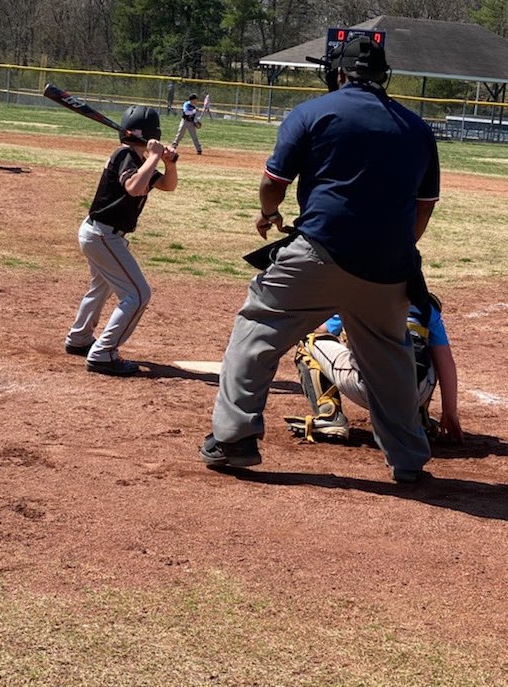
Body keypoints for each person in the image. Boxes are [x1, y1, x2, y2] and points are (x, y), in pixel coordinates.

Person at [199, 33, 440, 483]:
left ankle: (233, 440)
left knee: (258, 328)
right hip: (389, 269)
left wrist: (269, 214)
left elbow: (275, 183)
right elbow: (424, 205)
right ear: (383, 76)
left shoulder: (311, 112)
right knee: (390, 359)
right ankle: (408, 461)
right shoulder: (417, 127)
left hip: (320, 251)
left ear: (339, 73)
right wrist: (398, 245)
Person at [64, 106, 178, 376]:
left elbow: (168, 185)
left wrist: (168, 164)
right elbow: (134, 188)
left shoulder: (138, 160)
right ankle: (103, 354)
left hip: (101, 234)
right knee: (138, 294)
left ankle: (80, 338)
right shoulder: (126, 155)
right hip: (103, 235)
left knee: (100, 287)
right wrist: (152, 157)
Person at [289, 295, 463, 445]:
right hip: (415, 395)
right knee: (431, 352)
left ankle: (329, 415)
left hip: (369, 391)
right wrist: (450, 412)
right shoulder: (426, 305)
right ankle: (417, 418)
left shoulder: (356, 294)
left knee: (309, 340)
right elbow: (446, 363)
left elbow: (322, 330)